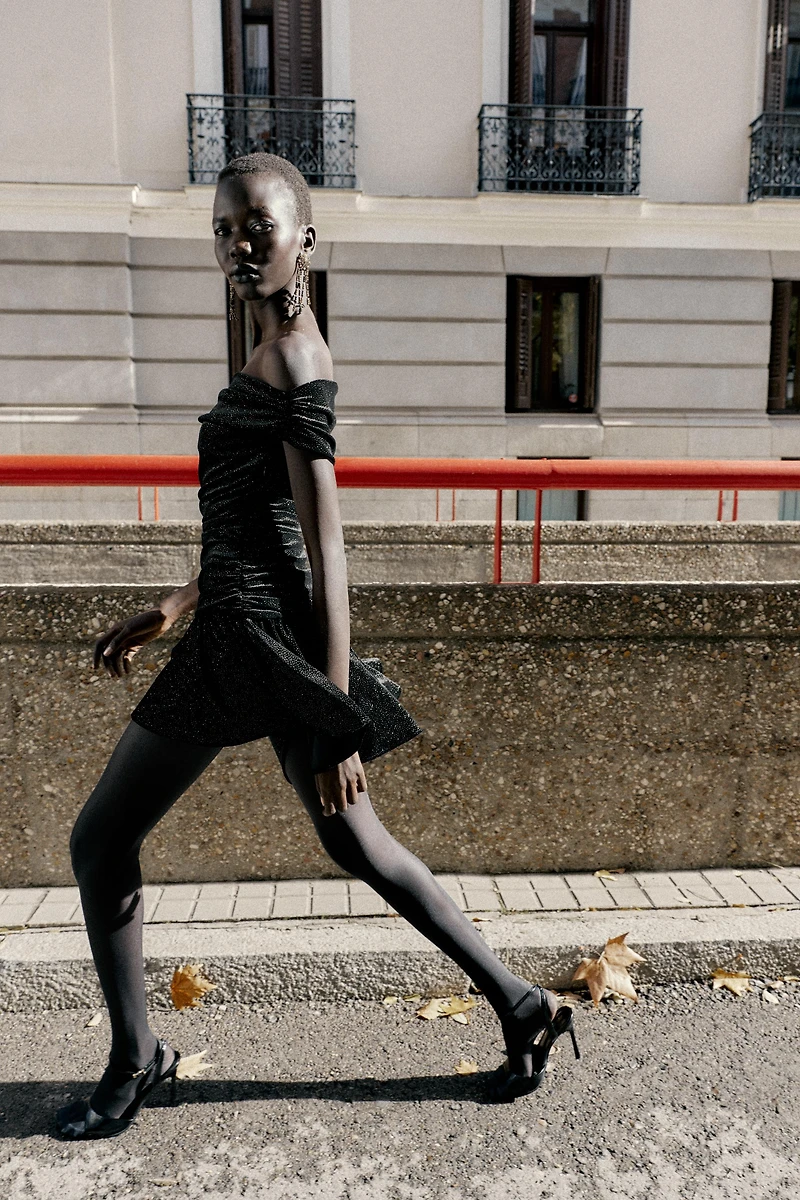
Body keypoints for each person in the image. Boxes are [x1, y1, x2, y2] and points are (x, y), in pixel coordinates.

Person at [56, 152, 579, 1139]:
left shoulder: (296, 360)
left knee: (99, 840)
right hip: (242, 637)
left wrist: (335, 717)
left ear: (305, 239)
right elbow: (256, 527)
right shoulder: (270, 351)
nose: (238, 245)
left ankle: (136, 1058)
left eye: (257, 225)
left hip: (257, 652)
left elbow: (329, 547)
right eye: (222, 229)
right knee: (357, 843)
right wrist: (173, 602)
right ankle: (524, 1007)